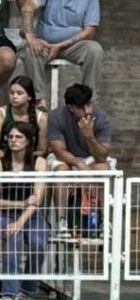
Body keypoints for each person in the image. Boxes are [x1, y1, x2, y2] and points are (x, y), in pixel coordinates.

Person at [0, 121, 48, 300]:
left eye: (19, 137)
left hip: (32, 214)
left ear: (28, 141)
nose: (13, 140)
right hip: (5, 213)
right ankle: (9, 292)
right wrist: (21, 204)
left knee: (39, 241)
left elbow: (37, 199)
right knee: (13, 238)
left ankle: (29, 289)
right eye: (11, 137)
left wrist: (20, 222)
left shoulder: (39, 163)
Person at [19, 0, 102, 103]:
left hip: (72, 46)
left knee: (94, 50)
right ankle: (38, 100)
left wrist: (60, 46)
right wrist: (30, 36)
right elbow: (27, 7)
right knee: (31, 50)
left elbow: (89, 32)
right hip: (45, 44)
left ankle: (87, 100)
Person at [47, 83, 113, 235]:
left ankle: (104, 221)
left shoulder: (101, 118)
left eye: (89, 104)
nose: (87, 110)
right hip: (66, 157)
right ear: (71, 108)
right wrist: (77, 163)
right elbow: (59, 151)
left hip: (91, 157)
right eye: (82, 107)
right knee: (62, 171)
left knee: (103, 169)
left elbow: (102, 156)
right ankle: (61, 222)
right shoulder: (56, 117)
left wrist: (89, 136)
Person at [0, 76, 47, 161]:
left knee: (42, 163)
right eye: (11, 93)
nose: (14, 96)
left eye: (19, 93)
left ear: (29, 96)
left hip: (30, 161)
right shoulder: (0, 114)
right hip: (4, 158)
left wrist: (25, 162)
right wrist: (13, 161)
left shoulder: (41, 118)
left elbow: (42, 151)